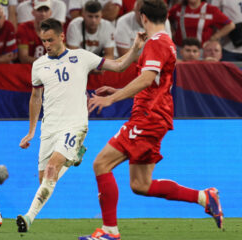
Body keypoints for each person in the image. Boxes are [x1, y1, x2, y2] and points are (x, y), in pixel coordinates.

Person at [80, 1, 223, 239]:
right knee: (141, 185)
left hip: (148, 117)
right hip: (154, 116)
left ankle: (109, 232)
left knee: (101, 164)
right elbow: (151, 81)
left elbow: (147, 79)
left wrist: (113, 98)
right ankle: (204, 197)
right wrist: (121, 79)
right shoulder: (162, 42)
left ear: (141, 16)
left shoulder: (157, 43)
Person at [16, 17, 146, 233]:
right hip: (49, 128)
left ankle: (28, 218)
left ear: (61, 36)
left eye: (50, 40)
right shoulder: (38, 65)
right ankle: (75, 154)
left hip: (75, 124)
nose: (46, 45)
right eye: (43, 41)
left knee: (51, 169)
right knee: (45, 181)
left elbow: (119, 65)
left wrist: (135, 48)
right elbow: (35, 98)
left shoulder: (81, 57)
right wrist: (31, 131)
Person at [168, 0, 235, 48]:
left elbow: (230, 25)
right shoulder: (177, 8)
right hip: (181, 49)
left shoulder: (211, 10)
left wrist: (214, 37)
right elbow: (165, 19)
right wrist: (171, 32)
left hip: (202, 50)